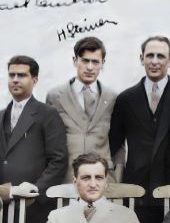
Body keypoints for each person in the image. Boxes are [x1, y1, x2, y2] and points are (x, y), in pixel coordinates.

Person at [109, 36, 170, 223]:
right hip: (138, 190)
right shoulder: (126, 99)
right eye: (150, 56)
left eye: (161, 56)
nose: (155, 61)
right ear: (141, 59)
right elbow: (115, 143)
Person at [0, 55, 68, 223]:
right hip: (4, 205)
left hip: (34, 207)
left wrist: (35, 191)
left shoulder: (47, 114)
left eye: (22, 75)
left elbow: (58, 160)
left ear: (34, 80)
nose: (15, 80)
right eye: (11, 75)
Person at [46, 37, 117, 181]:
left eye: (95, 62)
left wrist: (117, 174)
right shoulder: (55, 96)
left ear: (102, 63)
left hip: (102, 179)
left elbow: (118, 141)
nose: (90, 67)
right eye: (85, 61)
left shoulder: (112, 98)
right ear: (75, 61)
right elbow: (48, 140)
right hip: (66, 177)